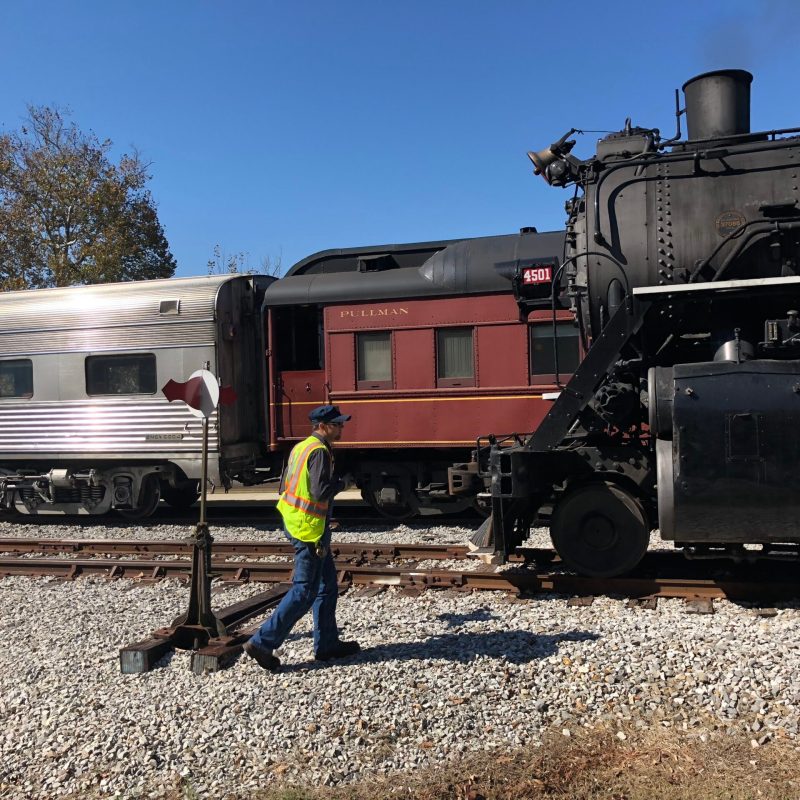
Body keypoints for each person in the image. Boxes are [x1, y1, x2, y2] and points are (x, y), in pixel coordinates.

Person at [243, 404, 361, 670]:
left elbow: (287, 484)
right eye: (337, 424)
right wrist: (344, 483)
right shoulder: (319, 451)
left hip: (301, 522)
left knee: (327, 586)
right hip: (308, 529)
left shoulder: (301, 447)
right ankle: (262, 642)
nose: (341, 427)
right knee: (304, 592)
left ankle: (327, 644)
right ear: (322, 426)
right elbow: (320, 491)